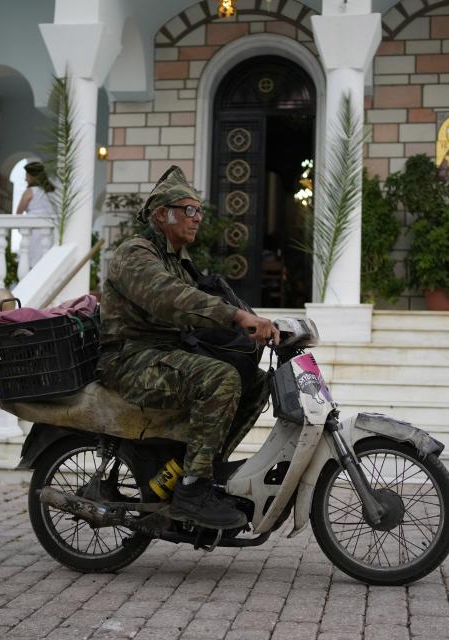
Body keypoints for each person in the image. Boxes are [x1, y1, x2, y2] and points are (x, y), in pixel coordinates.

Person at [99, 165, 279, 530]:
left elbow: (201, 300)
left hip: (165, 353)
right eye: (190, 210)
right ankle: (191, 492)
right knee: (221, 379)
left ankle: (201, 470)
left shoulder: (178, 261)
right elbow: (172, 300)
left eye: (199, 211)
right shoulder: (136, 253)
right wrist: (234, 317)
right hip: (130, 359)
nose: (197, 219)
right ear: (163, 215)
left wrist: (260, 325)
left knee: (256, 383)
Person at [15, 161, 55, 266]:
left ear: (33, 177)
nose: (25, 179)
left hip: (33, 231)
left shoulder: (30, 191)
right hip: (48, 231)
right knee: (44, 261)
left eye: (27, 176)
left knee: (30, 261)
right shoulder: (50, 192)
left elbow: (19, 212)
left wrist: (19, 227)